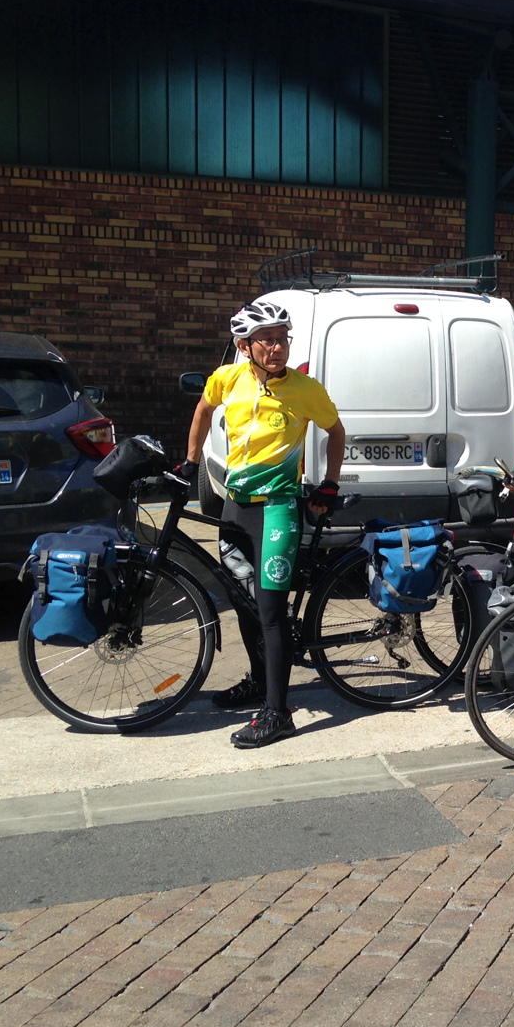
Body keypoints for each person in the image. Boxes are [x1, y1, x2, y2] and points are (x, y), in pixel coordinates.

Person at [182, 301, 346, 747]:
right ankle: (258, 682)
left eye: (282, 338)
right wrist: (190, 461)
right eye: (267, 340)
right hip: (235, 510)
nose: (277, 347)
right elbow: (202, 410)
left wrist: (329, 483)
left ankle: (278, 713)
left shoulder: (305, 389)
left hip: (277, 511)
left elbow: (336, 432)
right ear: (245, 346)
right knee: (242, 603)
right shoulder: (227, 379)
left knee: (271, 614)